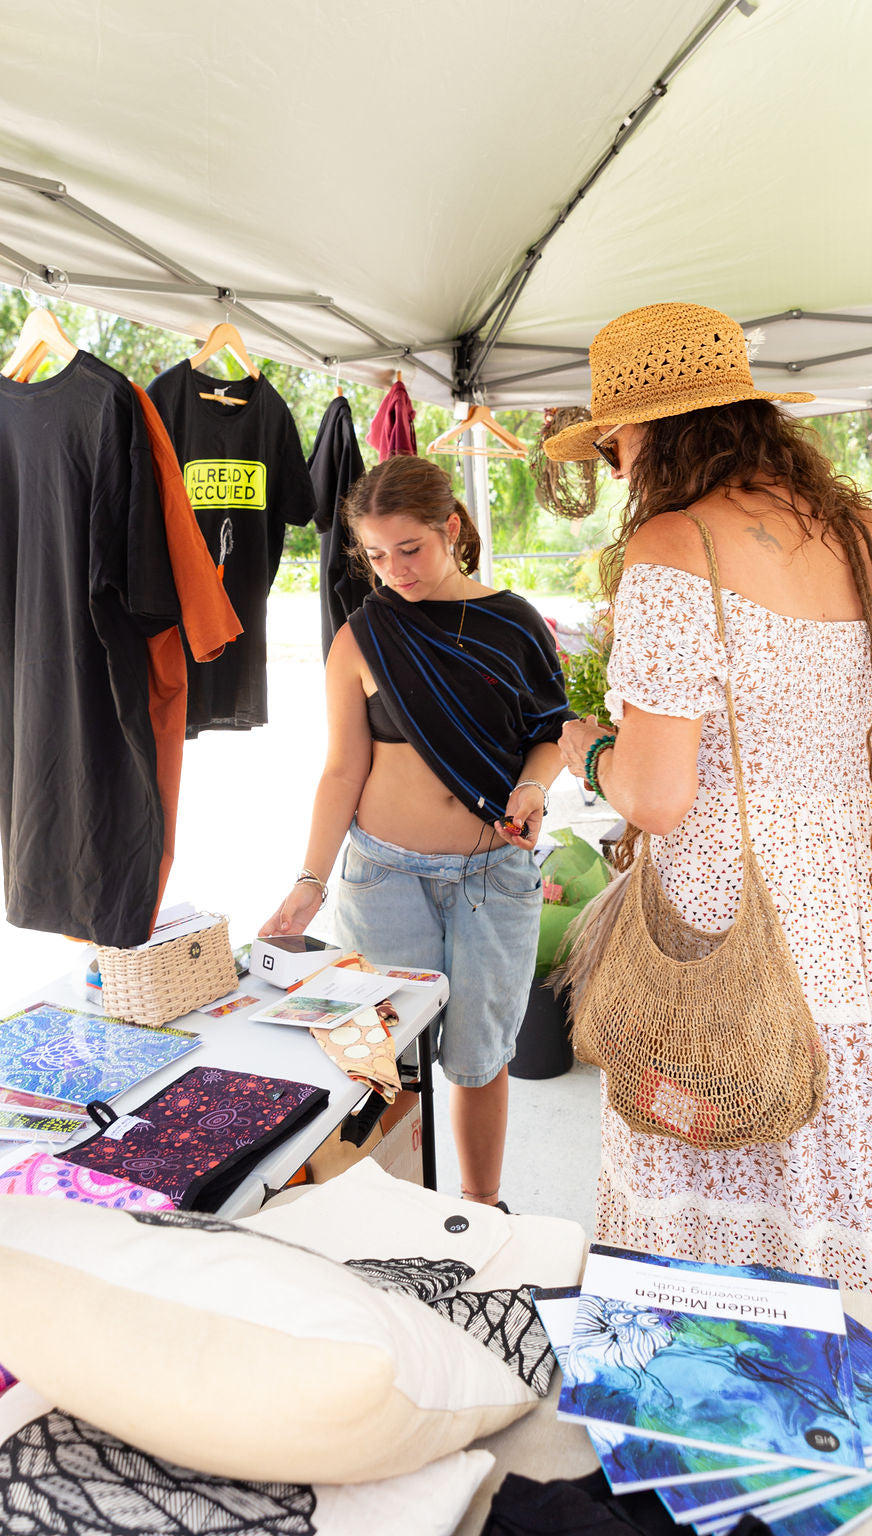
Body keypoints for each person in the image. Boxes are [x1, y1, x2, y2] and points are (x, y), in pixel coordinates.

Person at [546, 301, 872, 1288]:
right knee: (828, 1249)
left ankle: (696, 1443)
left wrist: (581, 747)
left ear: (652, 433)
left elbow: (652, 795)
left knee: (702, 1283)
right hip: (847, 953)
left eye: (613, 445)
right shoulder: (855, 529)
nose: (614, 465)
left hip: (719, 967)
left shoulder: (676, 547)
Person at [260, 455, 568, 1208]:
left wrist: (532, 785)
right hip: (383, 879)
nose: (394, 569)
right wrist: (308, 883)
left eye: (411, 549)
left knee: (478, 1058)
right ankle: (392, 1213)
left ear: (451, 530)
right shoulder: (361, 637)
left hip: (493, 877)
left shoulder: (515, 622)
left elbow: (551, 732)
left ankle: (478, 1210)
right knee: (380, 1059)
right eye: (375, 554)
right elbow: (341, 773)